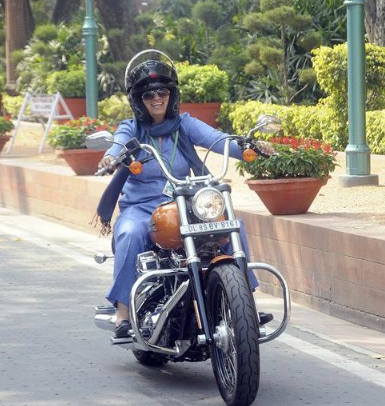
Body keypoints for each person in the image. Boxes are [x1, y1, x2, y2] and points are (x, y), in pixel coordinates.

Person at [96, 55, 266, 339]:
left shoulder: (184, 125)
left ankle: (244, 304)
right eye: (148, 94)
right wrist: (111, 157)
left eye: (163, 91)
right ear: (138, 99)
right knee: (129, 232)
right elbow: (118, 143)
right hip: (142, 208)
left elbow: (216, 138)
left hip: (185, 204)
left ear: (172, 94)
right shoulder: (132, 129)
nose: (156, 98)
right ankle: (124, 313)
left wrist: (248, 146)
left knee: (231, 223)